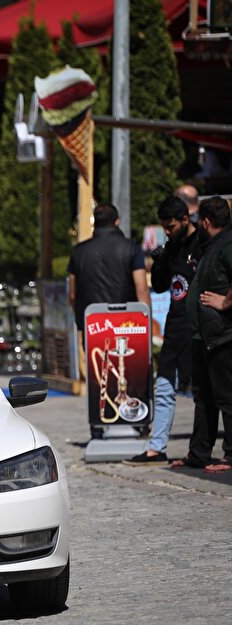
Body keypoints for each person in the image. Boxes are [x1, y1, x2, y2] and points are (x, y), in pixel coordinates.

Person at [126, 196, 201, 465]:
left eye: (171, 227)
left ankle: (202, 449)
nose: (168, 232)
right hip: (175, 325)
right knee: (164, 386)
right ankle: (156, 448)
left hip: (198, 327)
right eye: (164, 228)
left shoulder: (202, 243)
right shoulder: (172, 246)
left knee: (203, 391)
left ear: (185, 219)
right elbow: (159, 286)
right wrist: (159, 262)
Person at [173, 197, 232, 472]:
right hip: (205, 336)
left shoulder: (227, 244)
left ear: (206, 221)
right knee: (203, 397)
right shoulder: (211, 245)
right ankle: (199, 453)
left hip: (222, 335)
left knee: (226, 397)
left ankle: (230, 455)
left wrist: (225, 302)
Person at [67, 202, 151, 335]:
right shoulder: (131, 248)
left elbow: (72, 294)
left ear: (95, 223)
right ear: (117, 222)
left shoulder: (78, 252)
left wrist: (82, 320)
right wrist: (146, 323)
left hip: (93, 325)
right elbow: (142, 290)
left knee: (96, 349)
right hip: (126, 323)